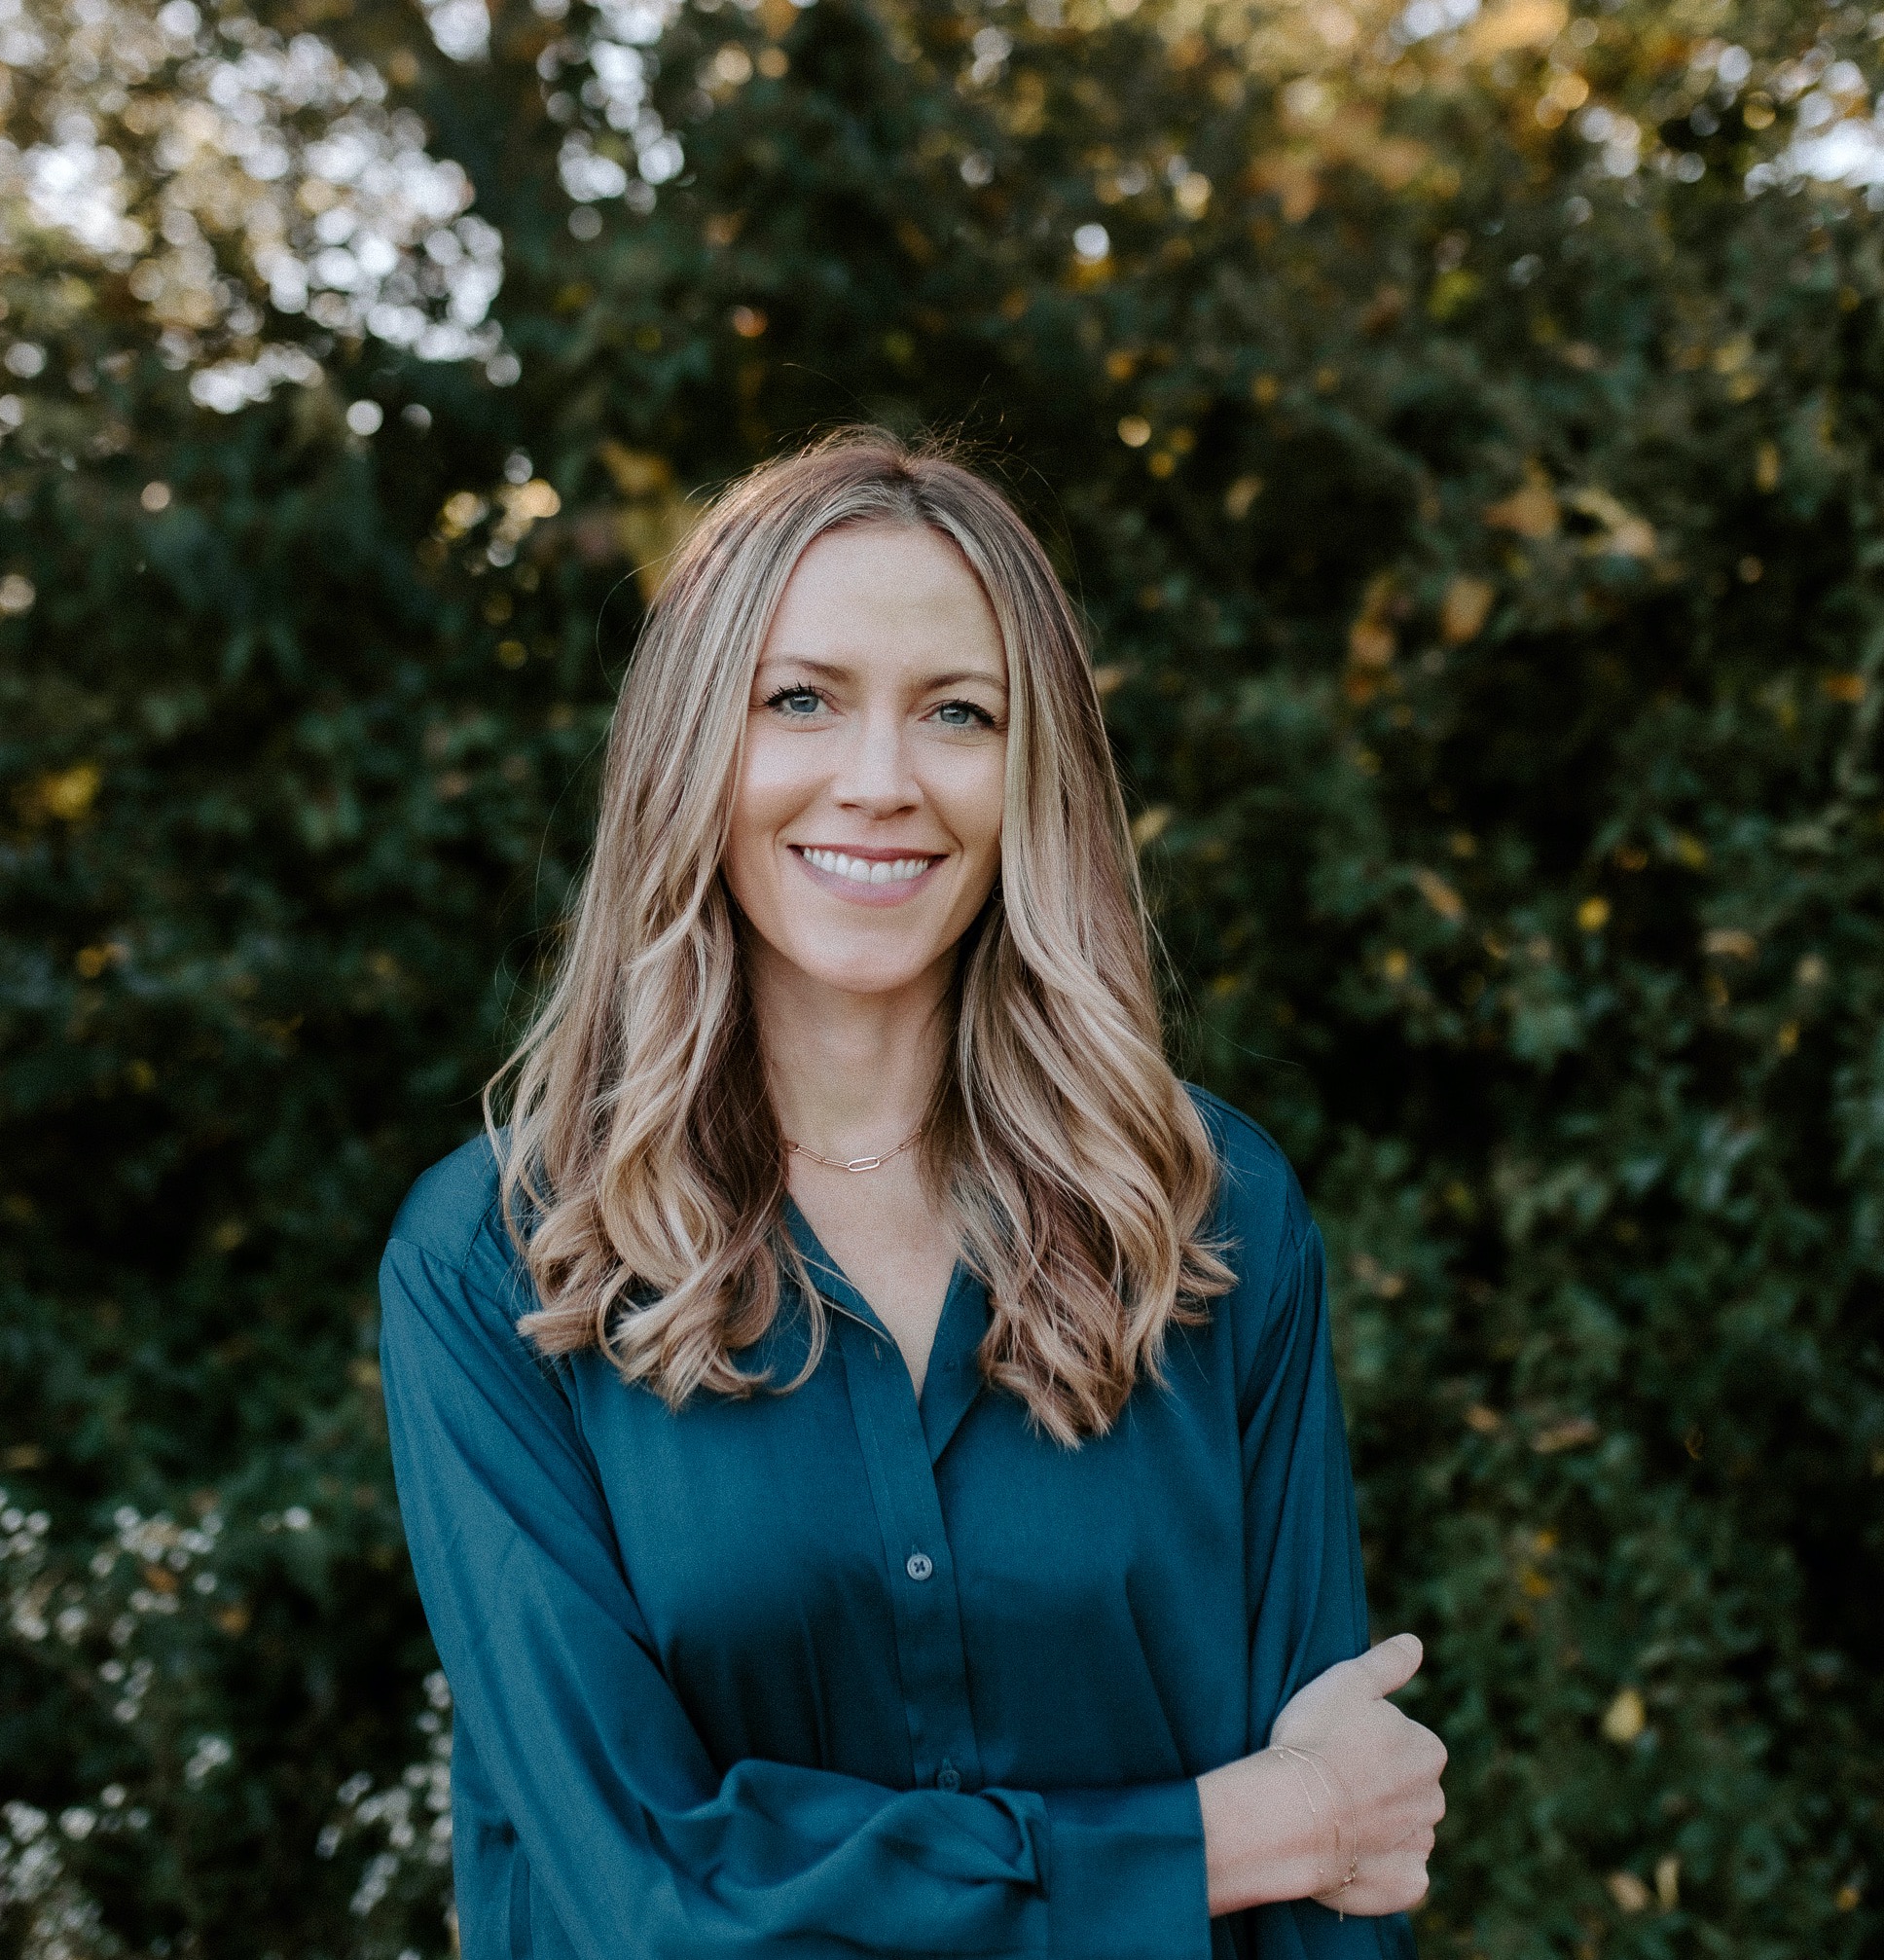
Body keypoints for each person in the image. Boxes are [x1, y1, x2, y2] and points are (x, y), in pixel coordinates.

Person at [379, 429, 1446, 1959]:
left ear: (1031, 774)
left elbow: (1336, 1884)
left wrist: (1298, 1830)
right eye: (800, 699)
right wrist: (1222, 1837)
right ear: (695, 748)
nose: (877, 783)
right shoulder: (495, 1261)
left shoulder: (1210, 1212)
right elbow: (649, 1902)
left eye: (957, 712)